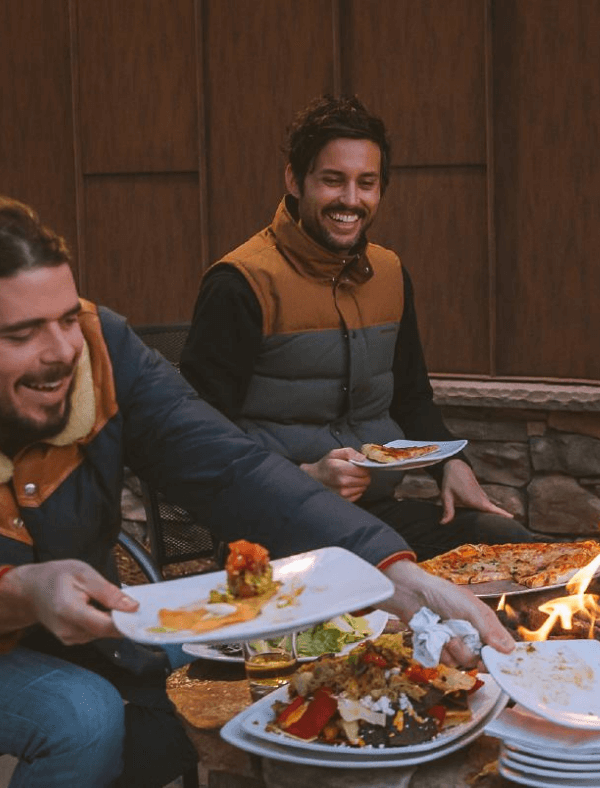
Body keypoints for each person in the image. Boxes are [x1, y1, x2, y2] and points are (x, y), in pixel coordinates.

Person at [0, 195, 516, 786]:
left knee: (251, 661)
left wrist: (393, 574)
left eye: (66, 319)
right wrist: (10, 594)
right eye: (20, 334)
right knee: (82, 716)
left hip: (96, 633)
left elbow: (228, 467)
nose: (63, 352)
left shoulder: (101, 347)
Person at [181, 94, 540, 562]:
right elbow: (198, 440)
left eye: (366, 183)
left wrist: (452, 465)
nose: (351, 200)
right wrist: (307, 476)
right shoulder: (241, 284)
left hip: (375, 518)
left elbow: (411, 397)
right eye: (333, 181)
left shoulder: (389, 273)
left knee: (521, 549)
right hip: (274, 531)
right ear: (295, 179)